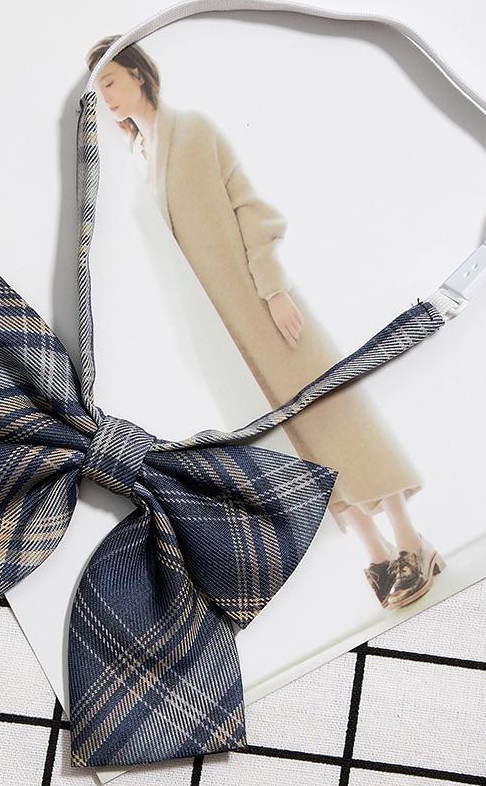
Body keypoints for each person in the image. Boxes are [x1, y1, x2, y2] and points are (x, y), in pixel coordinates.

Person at [85, 36, 446, 609]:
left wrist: (274, 288)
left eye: (109, 81)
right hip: (220, 333)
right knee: (289, 444)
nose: (104, 97)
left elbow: (251, 209)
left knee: (334, 412)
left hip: (259, 302)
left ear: (137, 74)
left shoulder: (191, 128)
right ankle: (374, 551)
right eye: (97, 89)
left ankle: (409, 541)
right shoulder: (140, 157)